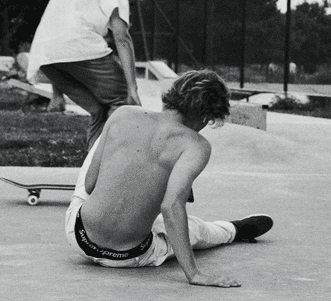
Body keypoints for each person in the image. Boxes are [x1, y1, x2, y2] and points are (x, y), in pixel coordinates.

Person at [65, 70, 274, 288]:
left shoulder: (123, 114)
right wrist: (194, 274)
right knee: (194, 229)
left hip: (78, 236)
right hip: (128, 257)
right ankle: (234, 230)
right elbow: (172, 207)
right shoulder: (195, 146)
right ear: (207, 117)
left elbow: (89, 184)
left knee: (109, 138)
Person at [27, 0, 144, 149]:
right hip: (80, 47)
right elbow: (122, 39)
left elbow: (58, 42)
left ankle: (90, 169)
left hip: (45, 57)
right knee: (122, 102)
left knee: (98, 110)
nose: (129, 9)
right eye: (132, 4)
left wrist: (57, 95)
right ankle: (113, 164)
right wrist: (132, 89)